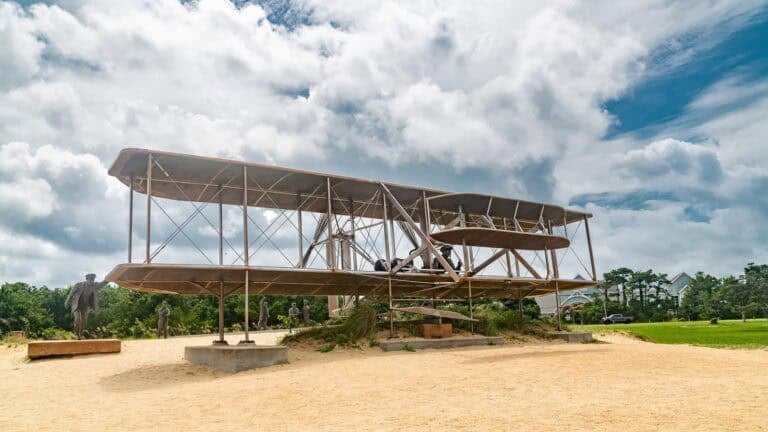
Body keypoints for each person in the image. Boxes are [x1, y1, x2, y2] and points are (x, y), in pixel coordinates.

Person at [65, 274, 108, 340]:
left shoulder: (94, 286)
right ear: (86, 279)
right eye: (90, 279)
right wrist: (67, 302)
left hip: (85, 306)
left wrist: (109, 279)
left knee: (84, 321)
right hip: (76, 305)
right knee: (78, 319)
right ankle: (76, 334)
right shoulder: (78, 285)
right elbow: (71, 294)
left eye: (93, 280)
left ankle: (80, 334)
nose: (91, 281)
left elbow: (102, 284)